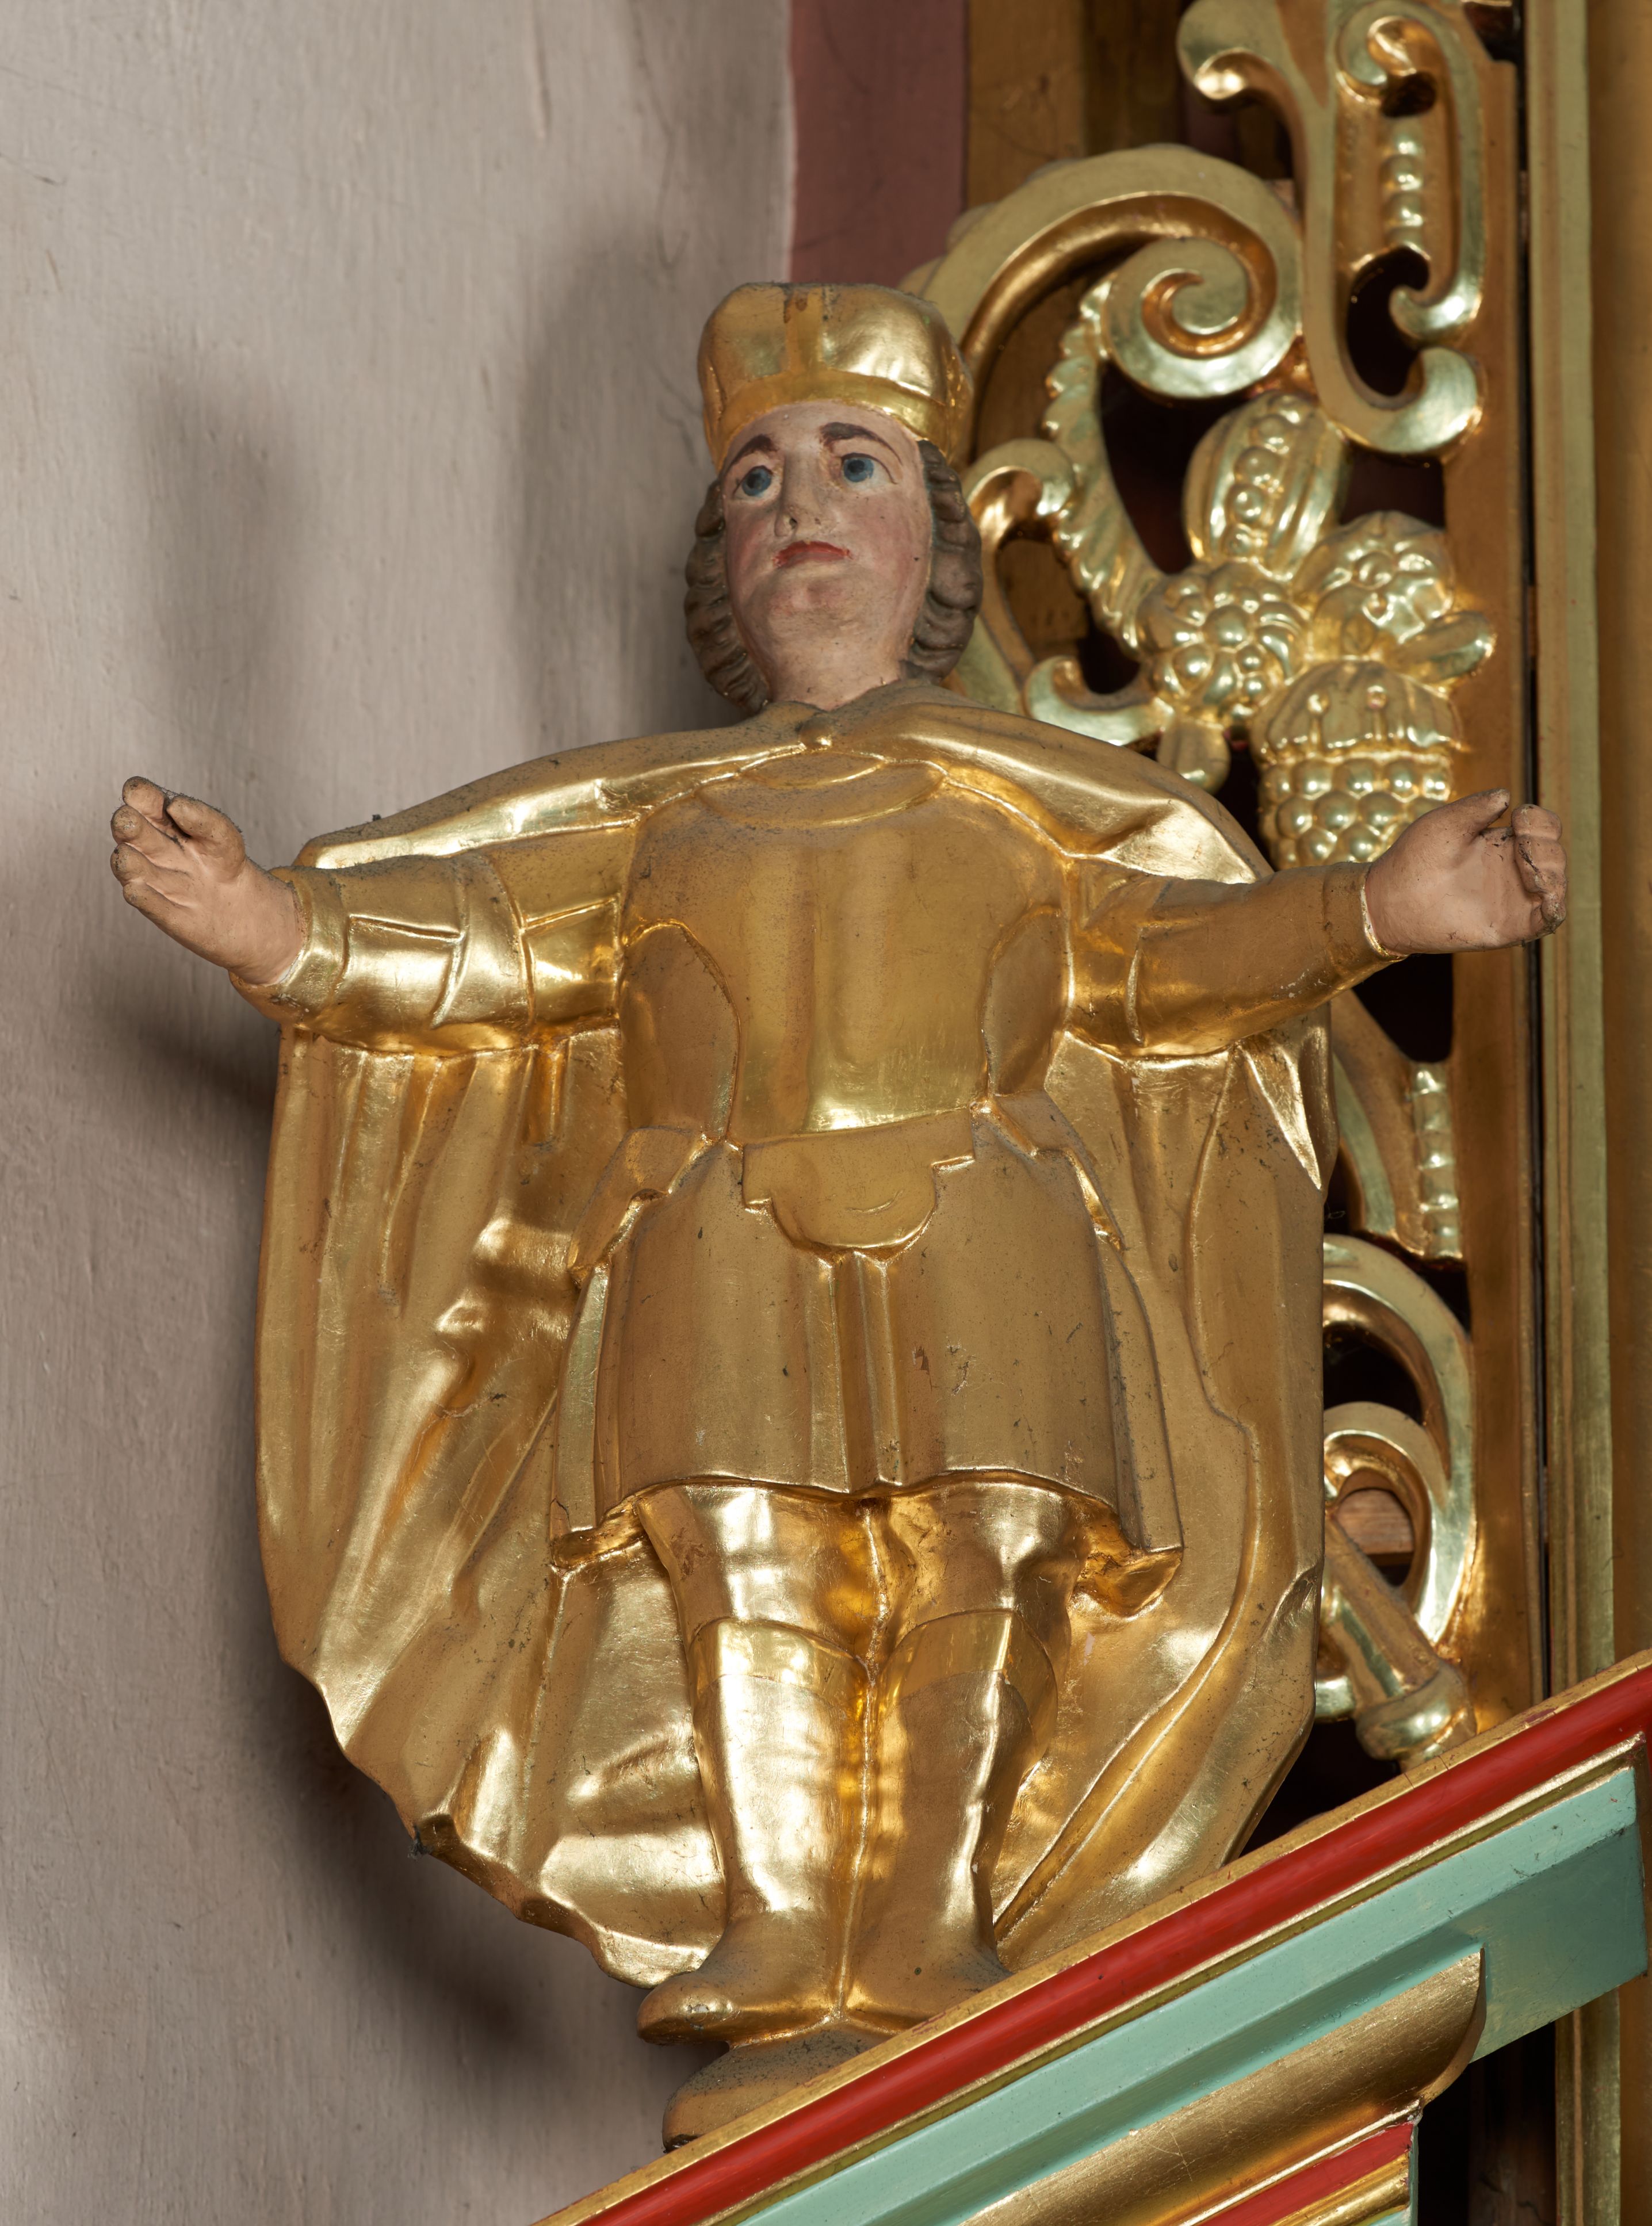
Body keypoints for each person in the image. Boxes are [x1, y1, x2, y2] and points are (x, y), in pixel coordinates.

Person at [108, 283, 1566, 2132]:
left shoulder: (1029, 808)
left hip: (988, 1221)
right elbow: (484, 949)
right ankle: (783, 1918)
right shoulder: (656, 826)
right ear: (719, 571)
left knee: (990, 1548)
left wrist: (1376, 910)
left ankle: (935, 1919)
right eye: (754, 480)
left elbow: (1159, 968)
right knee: (738, 1553)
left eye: (853, 466)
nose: (797, 503)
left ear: (935, 545)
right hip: (714, 1228)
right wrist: (274, 927)